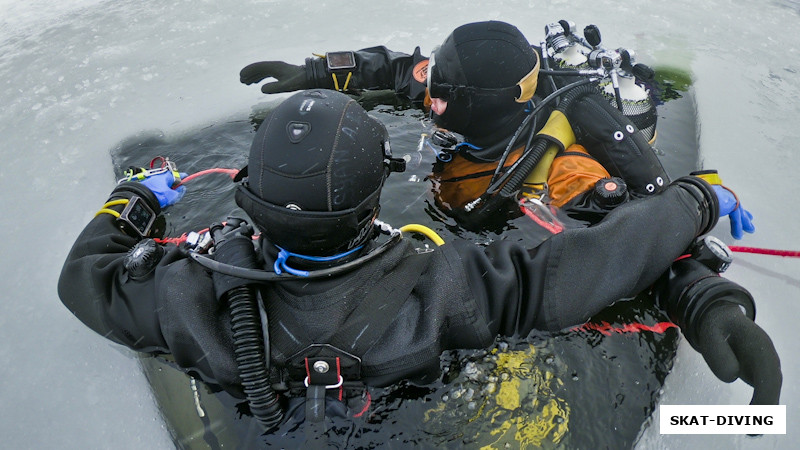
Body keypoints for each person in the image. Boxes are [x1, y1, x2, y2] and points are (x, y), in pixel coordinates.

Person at [58, 90, 779, 443]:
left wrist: (136, 199)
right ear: (376, 191)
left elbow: (83, 276)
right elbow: (590, 263)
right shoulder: (455, 289)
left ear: (250, 193)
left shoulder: (183, 298)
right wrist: (695, 200)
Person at [239, 20, 755, 238]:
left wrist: (700, 290)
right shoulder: (464, 98)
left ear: (474, 106)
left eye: (440, 93)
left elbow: (627, 234)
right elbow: (400, 70)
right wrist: (317, 70)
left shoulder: (561, 169)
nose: (428, 94)